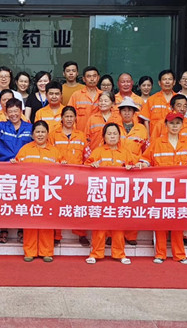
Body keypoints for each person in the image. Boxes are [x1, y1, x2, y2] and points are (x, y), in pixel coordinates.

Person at [136, 112, 187, 265]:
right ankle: (160, 254)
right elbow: (146, 159)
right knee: (160, 221)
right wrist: (142, 164)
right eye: (171, 123)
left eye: (178, 123)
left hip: (180, 189)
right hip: (160, 189)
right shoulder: (157, 142)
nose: (175, 126)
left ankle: (180, 255)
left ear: (182, 125)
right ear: (166, 125)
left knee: (178, 221)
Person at [84, 123, 135, 265]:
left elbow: (135, 169)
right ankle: (95, 253)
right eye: (109, 134)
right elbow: (85, 168)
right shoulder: (98, 152)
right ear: (104, 136)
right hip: (101, 195)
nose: (112, 136)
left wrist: (130, 168)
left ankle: (119, 253)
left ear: (119, 136)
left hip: (119, 195)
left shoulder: (125, 152)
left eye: (115, 134)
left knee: (118, 226)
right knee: (99, 226)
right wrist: (92, 166)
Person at [12, 121, 62, 262]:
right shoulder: (25, 150)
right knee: (30, 222)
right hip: (30, 191)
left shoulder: (55, 151)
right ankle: (30, 251)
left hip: (48, 192)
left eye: (43, 132)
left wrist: (62, 166)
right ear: (32, 134)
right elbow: (17, 168)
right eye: (37, 132)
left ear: (47, 134)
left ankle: (46, 251)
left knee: (47, 222)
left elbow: (62, 171)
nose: (40, 134)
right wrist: (13, 165)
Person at [0, 97, 32, 244]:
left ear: (21, 111)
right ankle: (4, 229)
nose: (13, 114)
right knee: (4, 199)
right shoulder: (1, 125)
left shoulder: (29, 127)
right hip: (4, 168)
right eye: (10, 112)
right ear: (6, 113)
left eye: (16, 111)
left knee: (22, 199)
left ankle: (21, 229)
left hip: (23, 169)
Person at [49, 105, 91, 247]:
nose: (68, 119)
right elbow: (49, 153)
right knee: (57, 205)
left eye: (71, 116)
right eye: (66, 116)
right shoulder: (53, 135)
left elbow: (87, 155)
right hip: (58, 176)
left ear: (75, 118)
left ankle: (81, 234)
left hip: (78, 177)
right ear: (61, 118)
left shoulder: (81, 135)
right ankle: (56, 235)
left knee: (79, 206)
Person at [116, 97, 148, 246]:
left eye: (130, 110)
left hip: (135, 171)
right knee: (115, 204)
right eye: (124, 110)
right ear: (120, 112)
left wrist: (143, 163)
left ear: (134, 112)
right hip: (117, 169)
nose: (127, 113)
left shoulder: (141, 129)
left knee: (133, 204)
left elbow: (146, 150)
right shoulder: (113, 127)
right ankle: (113, 234)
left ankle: (131, 235)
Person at [140, 69, 176, 136]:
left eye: (170, 79)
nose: (167, 82)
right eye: (164, 79)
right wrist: (148, 137)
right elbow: (146, 121)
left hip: (174, 138)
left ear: (174, 82)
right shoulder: (152, 99)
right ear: (159, 83)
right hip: (155, 138)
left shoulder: (179, 100)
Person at [68, 66, 101, 132]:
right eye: (89, 76)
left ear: (98, 78)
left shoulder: (103, 96)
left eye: (94, 76)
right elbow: (69, 115)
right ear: (84, 79)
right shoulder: (76, 95)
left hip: (98, 134)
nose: (92, 79)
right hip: (80, 134)